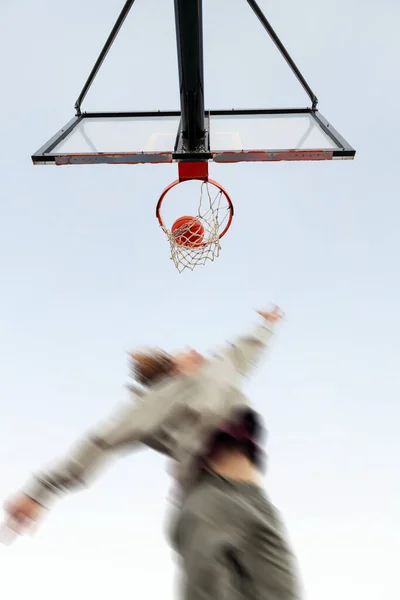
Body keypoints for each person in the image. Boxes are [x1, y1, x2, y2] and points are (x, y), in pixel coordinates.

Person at [1, 305, 301, 599]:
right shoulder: (161, 396)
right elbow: (104, 440)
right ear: (172, 369)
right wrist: (41, 489)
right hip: (208, 502)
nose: (193, 350)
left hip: (256, 501)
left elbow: (247, 348)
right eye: (183, 354)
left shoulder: (224, 366)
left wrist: (267, 325)